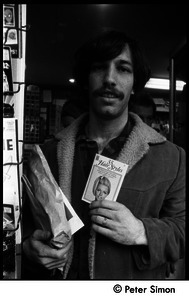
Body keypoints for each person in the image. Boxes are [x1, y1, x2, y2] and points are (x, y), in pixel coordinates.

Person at [22, 29, 185, 280]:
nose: (110, 78)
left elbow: (181, 230)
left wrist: (141, 231)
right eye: (99, 67)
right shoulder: (46, 155)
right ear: (86, 80)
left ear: (134, 86)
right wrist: (29, 248)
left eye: (123, 69)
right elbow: (22, 225)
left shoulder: (172, 159)